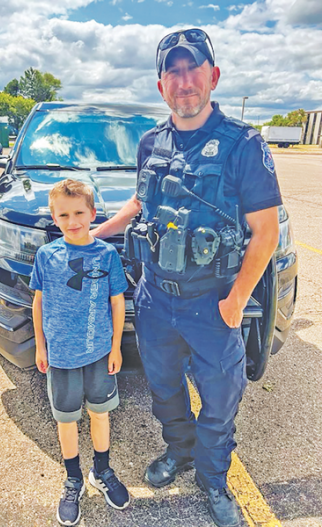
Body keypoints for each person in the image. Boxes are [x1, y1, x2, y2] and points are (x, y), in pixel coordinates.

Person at [91, 28, 281, 527]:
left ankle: (214, 479)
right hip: (156, 298)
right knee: (164, 387)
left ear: (213, 76)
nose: (183, 80)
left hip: (213, 303)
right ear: (161, 86)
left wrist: (237, 299)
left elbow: (265, 233)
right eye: (172, 71)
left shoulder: (244, 145)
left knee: (220, 398)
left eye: (192, 68)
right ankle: (179, 450)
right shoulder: (151, 142)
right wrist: (94, 233)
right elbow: (140, 201)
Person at [30, 179, 130, 526]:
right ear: (54, 218)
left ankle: (101, 471)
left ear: (92, 213)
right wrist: (41, 346)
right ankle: (73, 479)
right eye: (63, 214)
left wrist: (116, 347)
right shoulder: (47, 255)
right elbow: (38, 301)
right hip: (60, 356)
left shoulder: (106, 254)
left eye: (78, 213)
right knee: (67, 419)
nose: (72, 221)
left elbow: (117, 302)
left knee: (101, 414)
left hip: (100, 352)